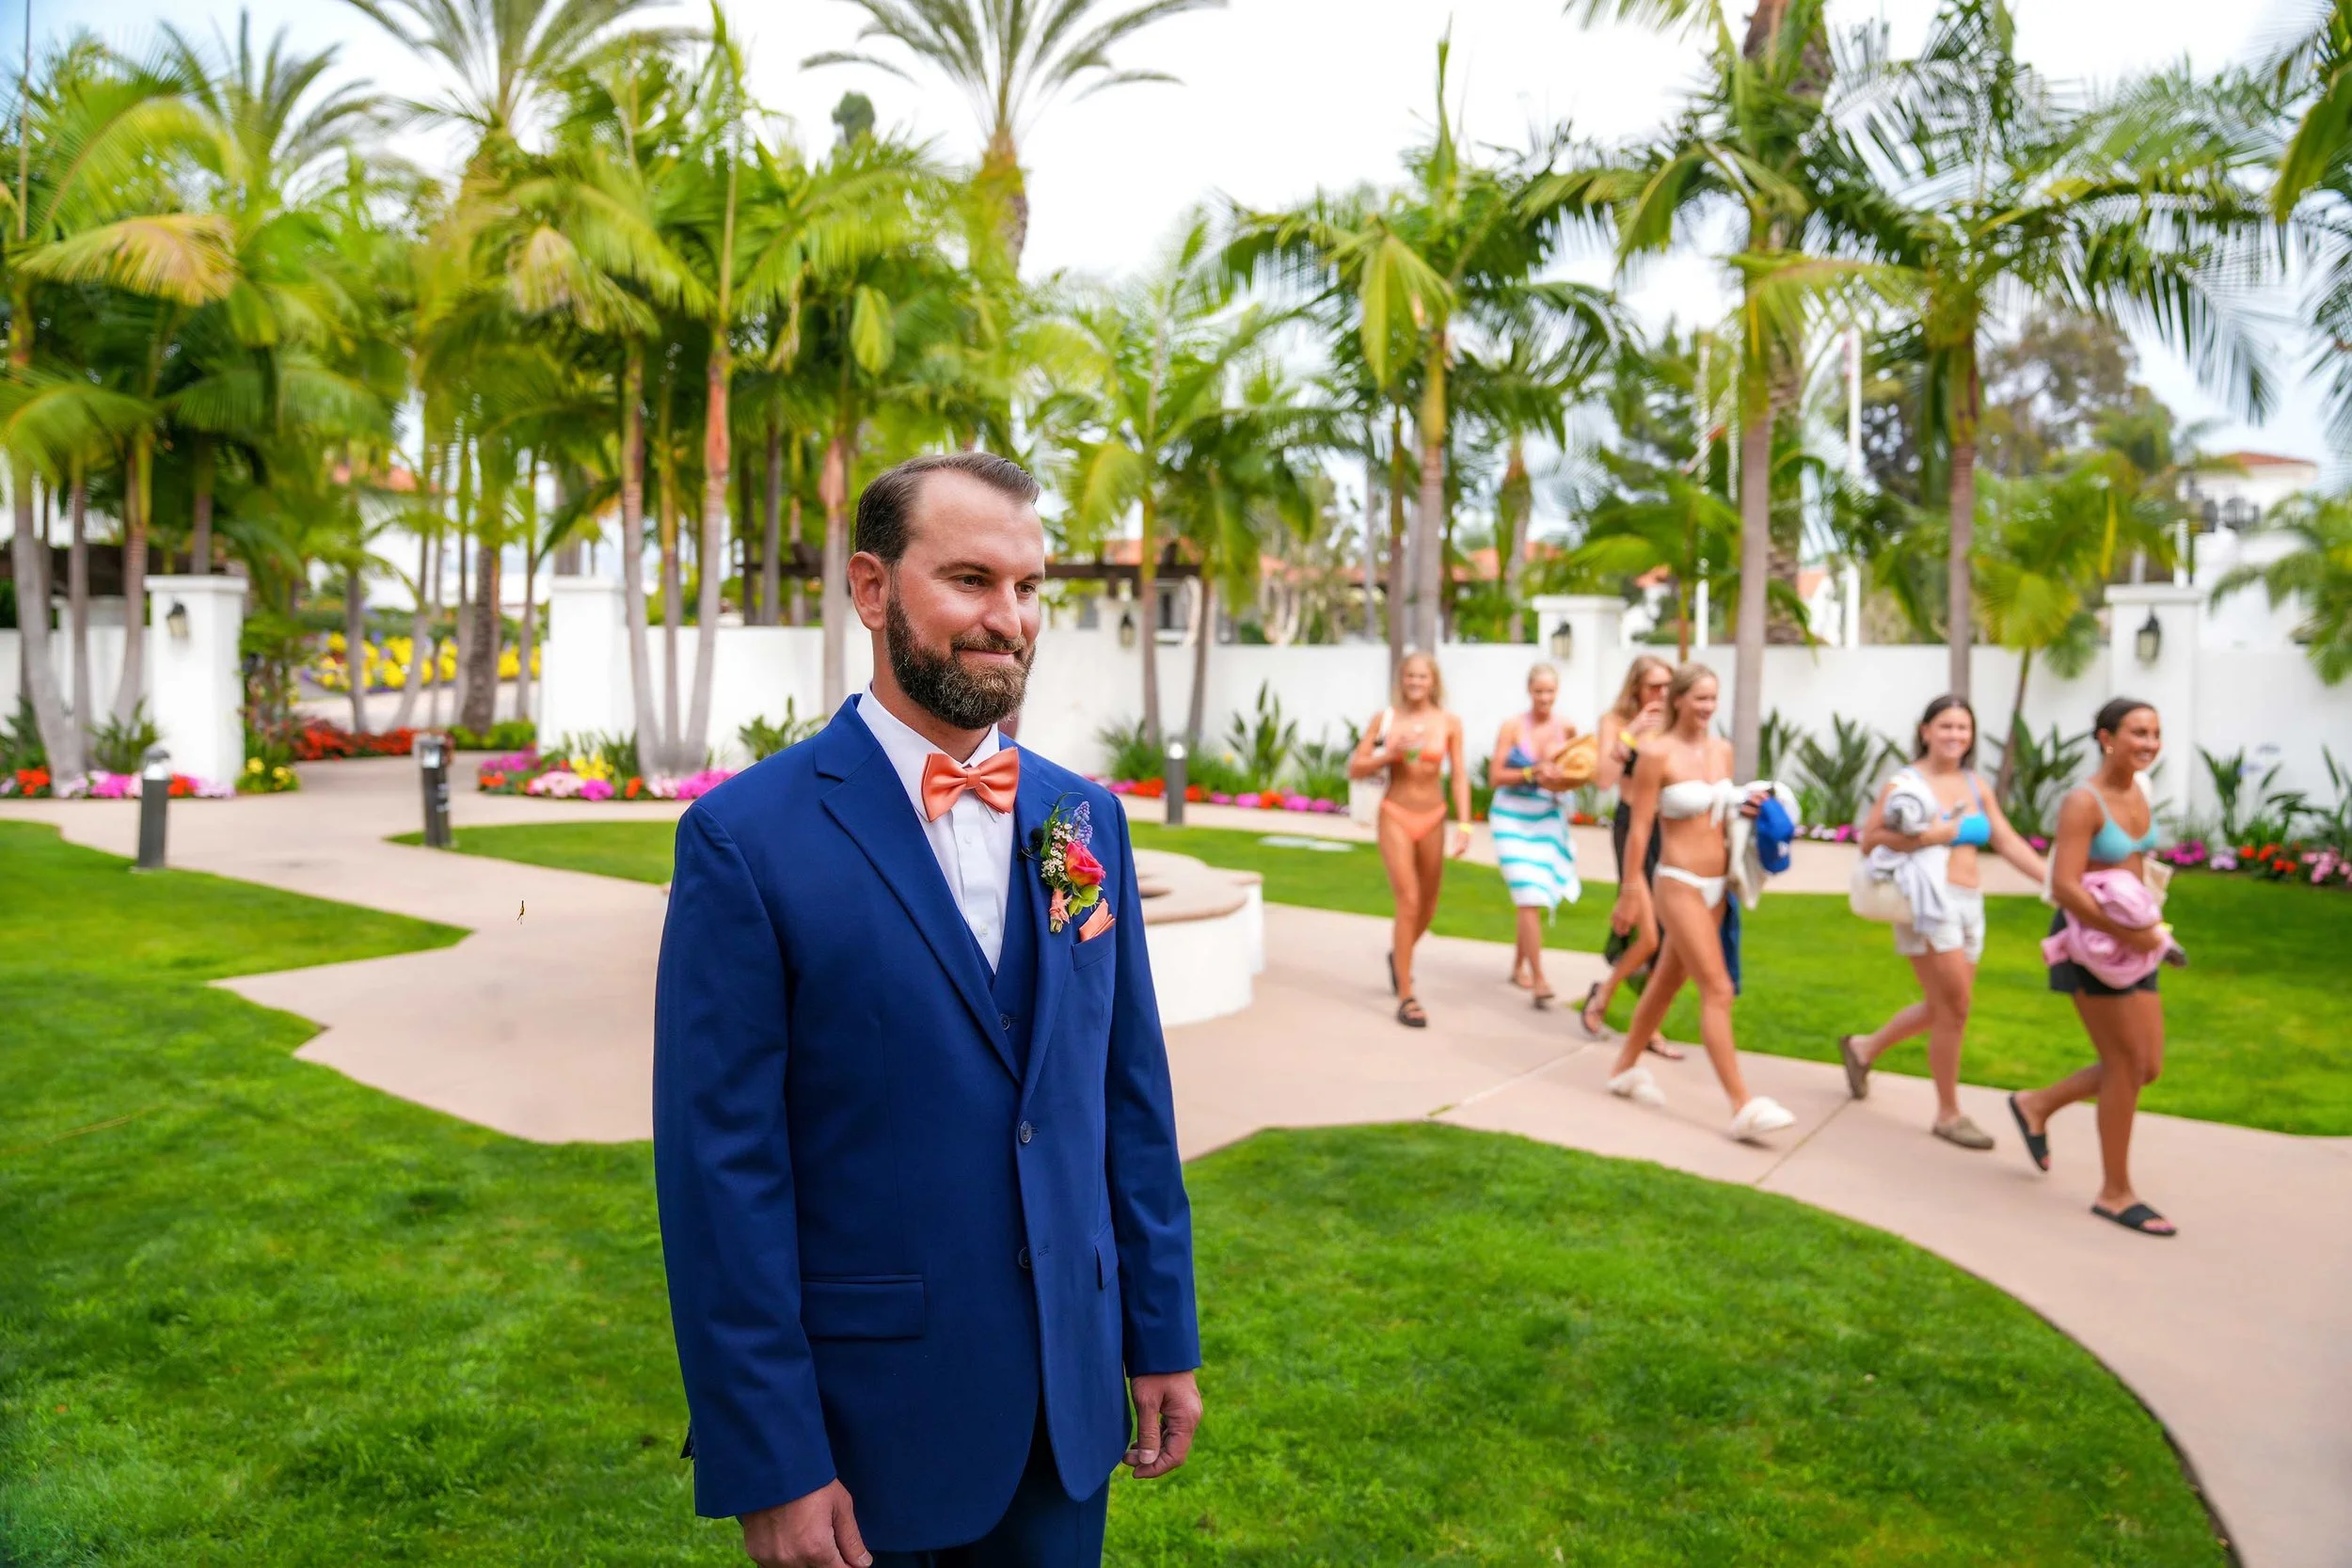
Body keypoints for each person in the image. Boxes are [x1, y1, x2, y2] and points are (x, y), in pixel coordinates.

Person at [653, 451, 1202, 1568]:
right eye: (969, 579)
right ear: (870, 589)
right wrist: (772, 1455)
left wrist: (1159, 1331)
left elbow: (1125, 1095)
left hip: (1069, 1410)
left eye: (1029, 586)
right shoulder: (744, 840)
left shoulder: (1082, 818)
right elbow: (722, 1173)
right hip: (866, 1440)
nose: (1009, 618)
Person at [1838, 696, 2047, 1148]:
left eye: (1963, 728)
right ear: (1926, 730)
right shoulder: (1906, 782)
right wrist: (1927, 837)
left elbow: (2007, 840)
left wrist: (2054, 881)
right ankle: (1948, 1114)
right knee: (1955, 1009)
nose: (1955, 735)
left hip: (1972, 902)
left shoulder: (1974, 784)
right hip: (1931, 903)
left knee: (1944, 1007)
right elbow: (1869, 840)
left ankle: (1863, 1048)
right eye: (1946, 726)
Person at [1602, 663, 1796, 1140]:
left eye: (1713, 699)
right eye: (1699, 699)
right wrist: (1632, 888)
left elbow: (1722, 814)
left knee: (1667, 982)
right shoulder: (1655, 754)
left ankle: (1624, 1067)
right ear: (1679, 701)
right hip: (1678, 883)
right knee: (1718, 989)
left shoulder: (1722, 751)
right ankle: (1742, 1105)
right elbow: (1640, 828)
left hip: (1717, 886)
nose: (1708, 708)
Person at [2008, 698, 2179, 1237]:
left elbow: (2134, 865)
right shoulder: (2083, 802)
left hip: (2135, 939)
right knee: (2125, 1064)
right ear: (2106, 737)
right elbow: (2064, 886)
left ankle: (2037, 1104)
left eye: (2155, 733)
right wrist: (2126, 931)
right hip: (2091, 945)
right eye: (2137, 733)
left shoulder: (2141, 790)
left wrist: (2145, 921)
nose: (2149, 743)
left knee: (2147, 1067)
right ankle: (2114, 1192)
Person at [1347, 650, 1471, 1029]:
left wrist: (1464, 825)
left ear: (1434, 681)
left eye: (1423, 677)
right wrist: (1390, 754)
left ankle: (1398, 956)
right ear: (1402, 680)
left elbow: (1460, 775)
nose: (1416, 683)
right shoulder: (1385, 720)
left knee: (1428, 908)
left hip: (1433, 816)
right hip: (1396, 814)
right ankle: (1406, 992)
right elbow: (1355, 766)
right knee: (1409, 899)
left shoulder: (1449, 723)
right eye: (1410, 676)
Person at [1579, 655, 1679, 1054]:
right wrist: (1633, 732)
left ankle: (1645, 1024)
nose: (1662, 694)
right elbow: (1603, 778)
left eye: (1668, 686)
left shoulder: (1675, 723)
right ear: (1635, 687)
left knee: (1668, 933)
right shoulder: (1616, 723)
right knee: (1649, 934)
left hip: (1669, 831)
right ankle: (1604, 995)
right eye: (1654, 686)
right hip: (1631, 828)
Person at [1487, 662, 1581, 1006]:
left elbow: (1580, 770)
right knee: (1528, 894)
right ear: (1529, 691)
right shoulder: (1512, 727)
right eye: (1539, 691)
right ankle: (1540, 978)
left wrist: (1561, 780)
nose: (1545, 697)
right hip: (1511, 817)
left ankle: (1517, 966)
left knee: (1533, 895)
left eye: (1550, 691)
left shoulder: (1567, 728)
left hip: (1547, 817)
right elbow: (1495, 776)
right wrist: (1532, 771)